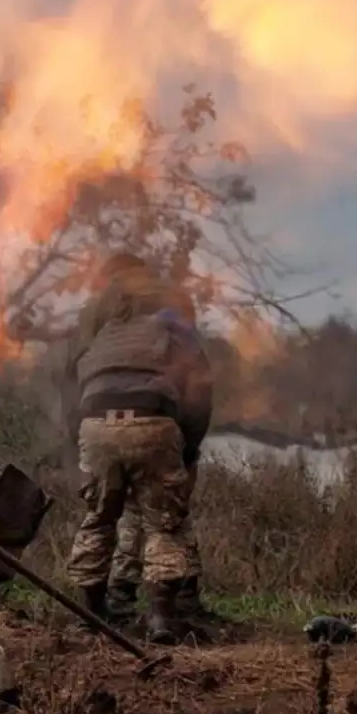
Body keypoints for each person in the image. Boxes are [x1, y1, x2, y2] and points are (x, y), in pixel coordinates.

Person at [65, 254, 213, 644]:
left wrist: (78, 435)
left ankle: (92, 615)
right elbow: (199, 383)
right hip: (154, 418)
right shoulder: (172, 311)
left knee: (97, 518)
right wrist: (190, 446)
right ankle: (162, 620)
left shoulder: (97, 318)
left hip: (95, 421)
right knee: (164, 522)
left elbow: (70, 380)